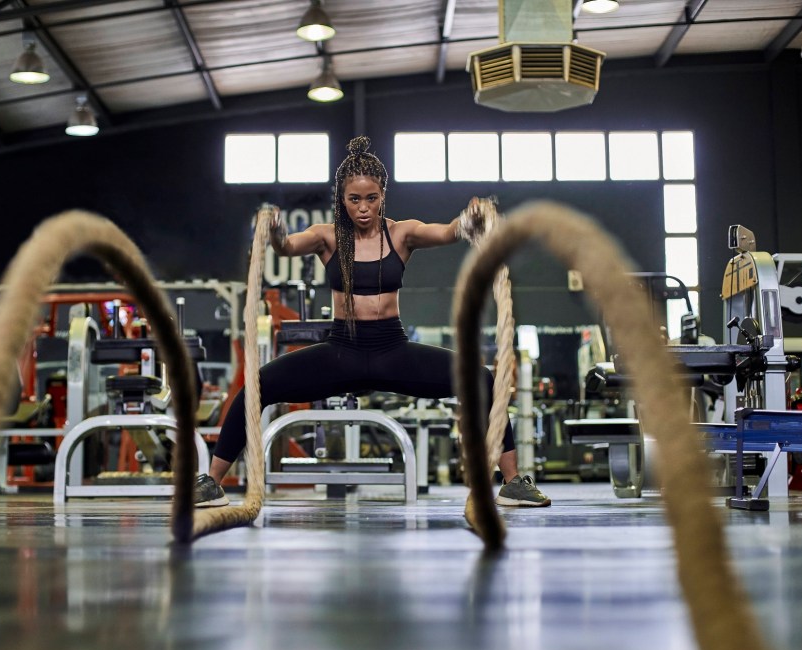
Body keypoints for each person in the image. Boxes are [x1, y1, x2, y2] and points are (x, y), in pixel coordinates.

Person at [194, 136, 550, 508]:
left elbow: (448, 231)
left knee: (484, 381)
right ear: (341, 199)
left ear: (383, 195)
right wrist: (276, 231)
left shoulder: (401, 233)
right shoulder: (326, 237)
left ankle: (512, 483)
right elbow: (285, 247)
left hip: (392, 351)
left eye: (371, 198)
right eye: (354, 199)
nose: (363, 208)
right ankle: (213, 482)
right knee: (255, 387)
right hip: (341, 352)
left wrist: (470, 219)